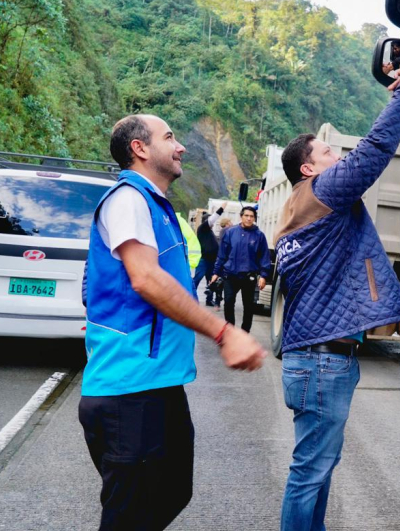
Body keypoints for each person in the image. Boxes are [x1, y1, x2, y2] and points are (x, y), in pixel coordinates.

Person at [79, 114, 266, 531]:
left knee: (172, 492)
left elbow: (94, 281)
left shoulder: (156, 207)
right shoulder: (128, 198)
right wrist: (222, 331)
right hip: (129, 391)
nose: (180, 146)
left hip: (160, 385)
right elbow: (145, 278)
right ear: (140, 149)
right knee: (130, 517)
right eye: (170, 137)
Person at [275, 52, 400, 531]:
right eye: (326, 153)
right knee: (309, 473)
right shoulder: (321, 192)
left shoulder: (298, 208)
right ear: (308, 169)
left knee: (316, 470)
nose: (336, 157)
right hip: (323, 363)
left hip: (316, 360)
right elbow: (373, 151)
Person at [210, 206, 270, 333]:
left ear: (254, 218)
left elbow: (264, 257)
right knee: (228, 302)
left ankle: (244, 333)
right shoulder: (231, 233)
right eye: (246, 215)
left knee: (249, 307)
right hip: (230, 275)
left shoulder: (259, 236)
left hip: (249, 276)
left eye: (251, 216)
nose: (249, 218)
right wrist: (216, 272)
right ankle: (230, 331)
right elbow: (222, 255)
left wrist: (264, 276)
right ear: (241, 217)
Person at [193, 206, 224, 306]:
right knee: (197, 278)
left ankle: (209, 300)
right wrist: (221, 210)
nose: (213, 223)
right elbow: (211, 220)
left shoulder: (210, 232)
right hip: (204, 260)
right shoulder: (202, 229)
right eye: (210, 222)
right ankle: (190, 297)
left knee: (211, 280)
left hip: (212, 260)